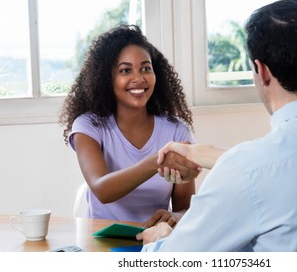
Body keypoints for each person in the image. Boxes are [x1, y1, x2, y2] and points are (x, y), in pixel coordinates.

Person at [137, 0, 297, 251]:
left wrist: (158, 240)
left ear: (261, 70)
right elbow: (293, 166)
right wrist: (206, 154)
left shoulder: (246, 169)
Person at [59, 25, 201, 227]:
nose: (138, 78)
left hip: (155, 242)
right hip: (102, 243)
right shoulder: (88, 126)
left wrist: (176, 217)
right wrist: (158, 161)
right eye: (125, 70)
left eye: (146, 68)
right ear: (107, 78)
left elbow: (185, 208)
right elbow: (102, 190)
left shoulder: (177, 131)